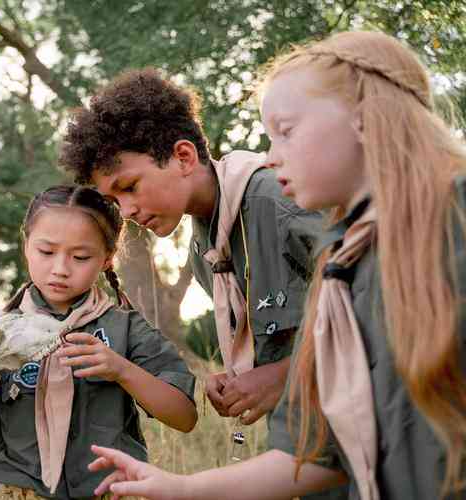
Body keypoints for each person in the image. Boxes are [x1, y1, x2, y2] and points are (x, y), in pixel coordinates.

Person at [87, 30, 466, 500]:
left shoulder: (295, 208)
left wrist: (282, 375)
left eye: (285, 131)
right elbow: (319, 453)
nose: (271, 155)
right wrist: (178, 484)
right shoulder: (233, 253)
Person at [60, 68, 324, 428]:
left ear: (183, 157)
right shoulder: (207, 253)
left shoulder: (280, 202)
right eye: (113, 200)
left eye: (130, 186)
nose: (126, 211)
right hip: (304, 444)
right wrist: (238, 374)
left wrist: (285, 375)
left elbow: (391, 307)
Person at [0, 185, 198, 499]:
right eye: (46, 252)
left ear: (107, 259)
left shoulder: (126, 328)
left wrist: (121, 370)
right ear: (27, 245)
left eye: (80, 256)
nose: (60, 269)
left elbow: (184, 417)